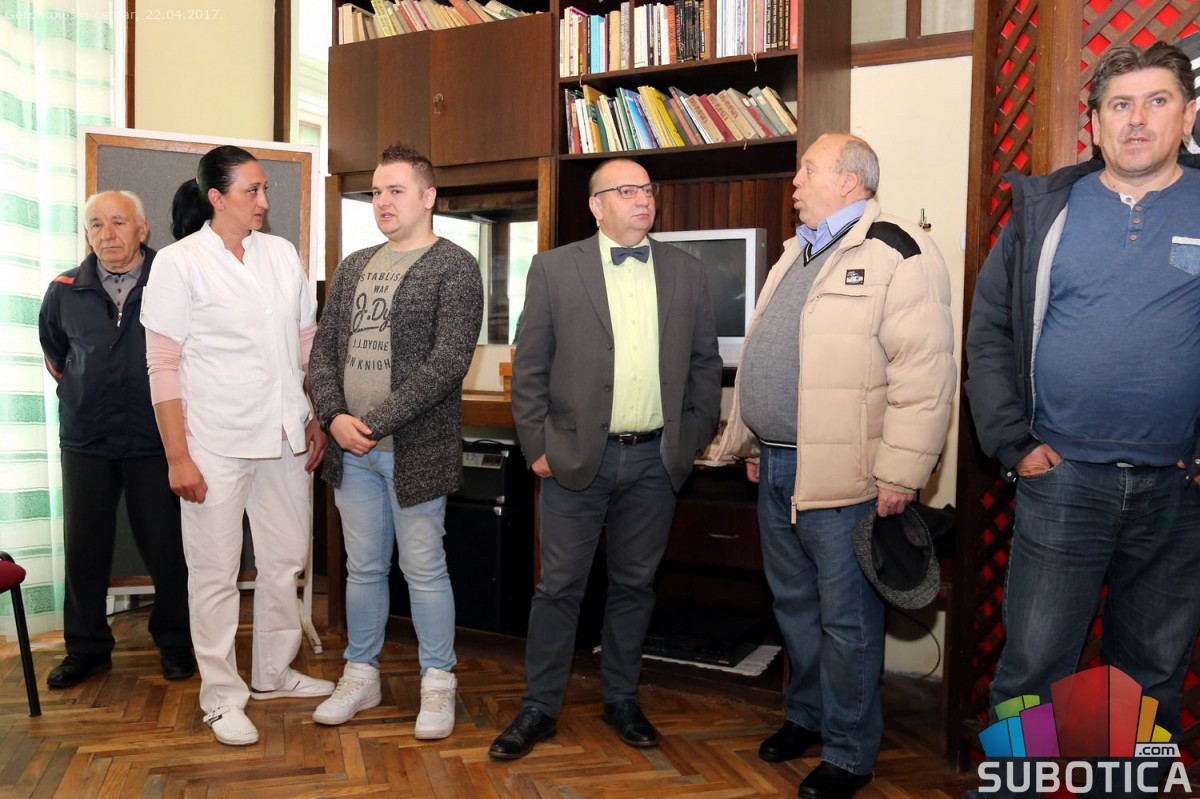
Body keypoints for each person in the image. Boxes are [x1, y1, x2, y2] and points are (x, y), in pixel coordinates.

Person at [965, 42, 1200, 795]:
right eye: (1119, 105)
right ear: (1093, 122)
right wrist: (1013, 442)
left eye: (1157, 101)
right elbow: (990, 332)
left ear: (1189, 115)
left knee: (1150, 675)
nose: (1137, 120)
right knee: (1031, 669)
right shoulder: (1045, 211)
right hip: (1062, 482)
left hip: (1179, 489)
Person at [716, 134, 955, 799]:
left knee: (847, 621)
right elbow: (769, 355)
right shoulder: (796, 251)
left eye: (808, 170)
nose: (795, 182)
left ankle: (850, 753)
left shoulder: (898, 250)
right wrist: (754, 443)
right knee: (794, 606)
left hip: (847, 478)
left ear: (850, 181)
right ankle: (808, 716)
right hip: (779, 467)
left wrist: (901, 473)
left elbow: (925, 374)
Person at [488, 158, 723, 760]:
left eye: (647, 189)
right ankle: (540, 707)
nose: (643, 199)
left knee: (635, 585)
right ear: (596, 206)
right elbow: (529, 368)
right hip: (573, 458)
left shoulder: (688, 273)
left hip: (655, 461)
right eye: (626, 191)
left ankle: (622, 697)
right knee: (559, 588)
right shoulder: (554, 269)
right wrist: (538, 447)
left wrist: (690, 438)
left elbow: (705, 366)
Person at [140, 145, 333, 747]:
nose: (264, 201)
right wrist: (178, 456)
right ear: (216, 198)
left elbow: (306, 343)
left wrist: (316, 414)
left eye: (265, 188)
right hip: (214, 442)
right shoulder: (179, 264)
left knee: (285, 560)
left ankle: (274, 673)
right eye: (252, 190)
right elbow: (162, 365)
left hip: (285, 434)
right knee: (215, 573)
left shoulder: (281, 254)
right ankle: (222, 698)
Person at [308, 144, 483, 738]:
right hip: (350, 453)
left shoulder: (455, 266)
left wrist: (372, 423)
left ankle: (438, 682)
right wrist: (333, 416)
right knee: (362, 569)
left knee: (424, 567)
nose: (383, 201)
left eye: (396, 191)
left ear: (428, 197)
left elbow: (447, 363)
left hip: (413, 450)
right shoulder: (354, 265)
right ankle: (361, 673)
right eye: (377, 192)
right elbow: (323, 351)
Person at [37, 190, 195, 689]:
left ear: (142, 229)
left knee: (168, 548)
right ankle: (86, 650)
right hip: (86, 440)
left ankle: (175, 641)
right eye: (96, 224)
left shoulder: (173, 280)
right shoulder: (64, 289)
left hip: (155, 439)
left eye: (118, 222)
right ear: (87, 233)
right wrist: (83, 391)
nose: (107, 234)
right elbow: (56, 354)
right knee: (84, 550)